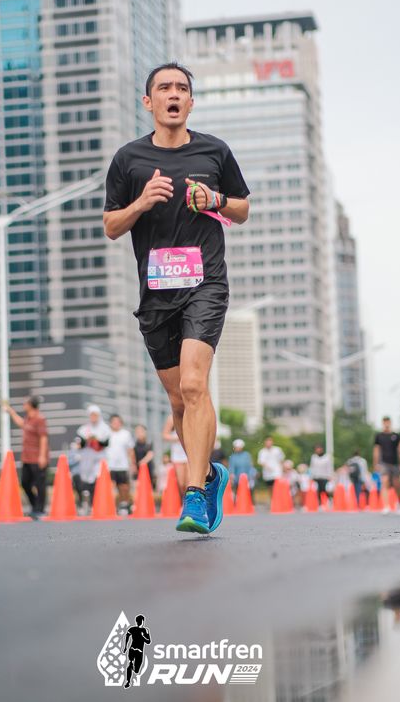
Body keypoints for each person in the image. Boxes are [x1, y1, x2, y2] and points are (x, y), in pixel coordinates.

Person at [104, 62, 249, 534]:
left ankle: (194, 494)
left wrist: (216, 200)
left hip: (205, 283)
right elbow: (111, 225)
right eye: (164, 88)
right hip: (156, 292)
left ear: (190, 101)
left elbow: (243, 208)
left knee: (193, 384)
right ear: (148, 102)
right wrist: (142, 201)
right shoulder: (128, 160)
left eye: (182, 88)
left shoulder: (214, 151)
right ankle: (209, 475)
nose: (173, 94)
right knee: (178, 399)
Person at [3, 396, 49, 518]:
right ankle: (35, 506)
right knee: (25, 482)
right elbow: (21, 423)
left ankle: (40, 509)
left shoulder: (40, 419)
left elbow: (43, 438)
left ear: (31, 405)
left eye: (25, 403)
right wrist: (11, 412)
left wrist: (42, 456)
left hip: (37, 457)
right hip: (27, 458)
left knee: (40, 484)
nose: (23, 404)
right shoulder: (28, 418)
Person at [76, 404, 110, 508]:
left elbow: (106, 443)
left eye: (95, 415)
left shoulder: (105, 428)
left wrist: (97, 439)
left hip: (99, 459)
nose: (93, 417)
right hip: (87, 459)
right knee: (86, 481)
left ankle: (98, 502)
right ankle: (87, 503)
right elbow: (79, 444)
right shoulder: (83, 429)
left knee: (98, 479)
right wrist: (87, 439)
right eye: (91, 415)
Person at [105, 414, 135, 514]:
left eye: (118, 422)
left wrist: (133, 464)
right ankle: (111, 507)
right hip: (109, 465)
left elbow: (130, 450)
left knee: (124, 487)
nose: (116, 424)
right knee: (110, 487)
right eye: (114, 422)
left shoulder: (126, 434)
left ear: (121, 423)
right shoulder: (106, 434)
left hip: (123, 465)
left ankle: (124, 505)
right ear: (110, 423)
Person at [373, 416, 400, 512]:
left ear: (390, 423)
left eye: (388, 422)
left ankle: (399, 502)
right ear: (383, 423)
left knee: (397, 484)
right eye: (385, 422)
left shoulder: (396, 436)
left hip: (395, 462)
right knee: (384, 482)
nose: (386, 424)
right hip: (384, 463)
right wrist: (375, 463)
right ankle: (386, 506)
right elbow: (376, 450)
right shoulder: (379, 436)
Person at [162, 413, 189, 496]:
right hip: (178, 455)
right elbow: (164, 435)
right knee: (181, 484)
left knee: (190, 482)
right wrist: (178, 438)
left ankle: (189, 501)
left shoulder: (191, 415)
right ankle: (183, 500)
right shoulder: (172, 417)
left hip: (190, 454)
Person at [123, 614, 151, 689]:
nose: (139, 622)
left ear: (142, 621)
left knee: (136, 671)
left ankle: (132, 667)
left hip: (138, 651)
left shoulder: (145, 630)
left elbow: (148, 641)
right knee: (130, 663)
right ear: (137, 621)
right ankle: (128, 681)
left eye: (140, 621)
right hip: (133, 650)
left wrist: (143, 636)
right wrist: (125, 646)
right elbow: (127, 636)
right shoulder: (132, 629)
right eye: (138, 621)